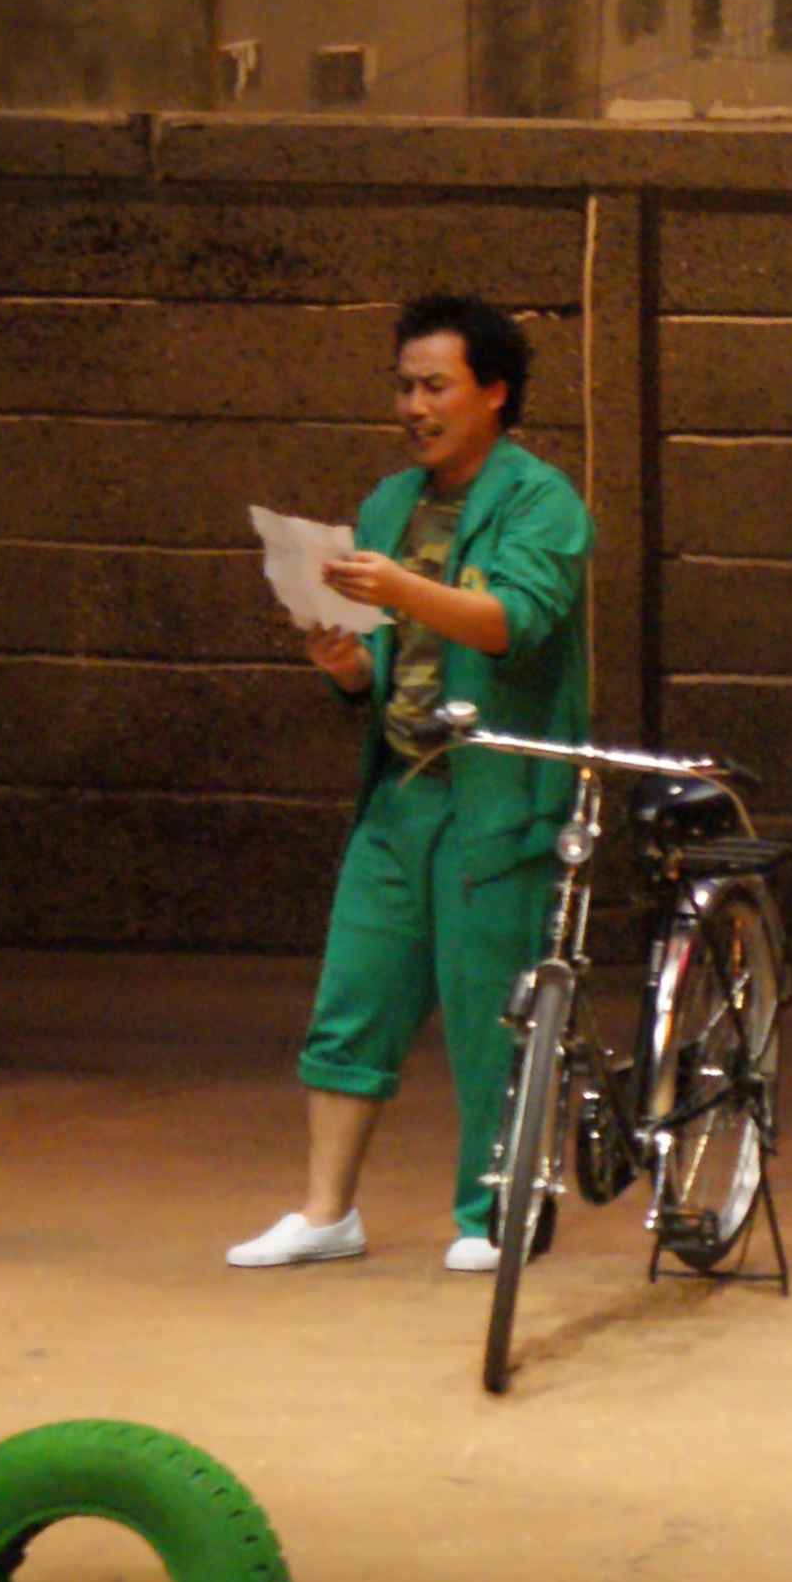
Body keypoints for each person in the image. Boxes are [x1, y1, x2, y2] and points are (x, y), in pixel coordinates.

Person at [227, 294, 590, 1275]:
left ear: (494, 390)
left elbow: (512, 620)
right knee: (354, 994)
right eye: (403, 386)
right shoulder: (391, 502)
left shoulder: (542, 501)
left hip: (494, 798)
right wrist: (347, 664)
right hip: (398, 789)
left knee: (491, 1013)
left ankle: (493, 1210)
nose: (414, 406)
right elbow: (389, 661)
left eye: (435, 385)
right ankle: (326, 1211)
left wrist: (401, 589)